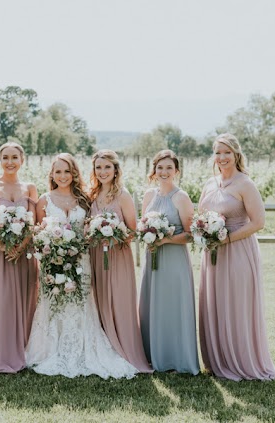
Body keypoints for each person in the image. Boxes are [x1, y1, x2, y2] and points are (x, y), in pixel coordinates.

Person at [25, 153, 138, 379]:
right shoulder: (44, 201)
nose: (63, 176)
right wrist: (51, 247)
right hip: (53, 261)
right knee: (54, 301)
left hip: (82, 260)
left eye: (67, 171)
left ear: (74, 173)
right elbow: (37, 233)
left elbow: (89, 229)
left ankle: (84, 347)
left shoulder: (85, 199)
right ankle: (49, 347)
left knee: (82, 303)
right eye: (58, 171)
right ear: (51, 174)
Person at [198, 133, 275, 381]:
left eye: (227, 152)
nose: (222, 157)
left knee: (236, 304)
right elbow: (200, 216)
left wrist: (227, 239)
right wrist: (204, 232)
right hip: (212, 253)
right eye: (218, 152)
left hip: (238, 250)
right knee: (215, 303)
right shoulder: (210, 183)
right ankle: (218, 361)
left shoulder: (245, 184)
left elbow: (258, 222)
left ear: (236, 155)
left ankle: (242, 361)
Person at [88, 150, 153, 374]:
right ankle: (104, 349)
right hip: (96, 254)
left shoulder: (123, 195)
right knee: (100, 300)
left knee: (119, 300)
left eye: (107, 167)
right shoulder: (92, 194)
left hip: (118, 256)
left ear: (115, 170)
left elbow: (133, 231)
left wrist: (113, 236)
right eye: (98, 167)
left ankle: (124, 350)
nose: (102, 171)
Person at [0, 141, 39, 373]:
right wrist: (1, 244)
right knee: (2, 300)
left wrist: (21, 246)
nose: (10, 162)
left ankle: (25, 350)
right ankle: (1, 354)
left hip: (25, 252)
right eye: (5, 157)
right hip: (0, 251)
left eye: (15, 157)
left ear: (22, 160)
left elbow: (33, 221)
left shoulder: (30, 187)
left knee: (25, 298)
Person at [139, 150, 200, 374]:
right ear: (154, 170)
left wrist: (165, 239)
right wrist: (148, 236)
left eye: (168, 168)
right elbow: (142, 225)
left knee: (173, 306)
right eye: (160, 167)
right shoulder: (149, 195)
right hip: (152, 256)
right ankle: (151, 355)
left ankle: (176, 359)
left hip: (174, 259)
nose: (164, 172)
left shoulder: (181, 197)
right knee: (152, 305)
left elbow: (191, 234)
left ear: (176, 171)